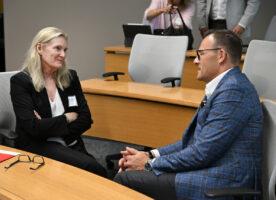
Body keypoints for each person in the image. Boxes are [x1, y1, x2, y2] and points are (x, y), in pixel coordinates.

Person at [113, 29, 263, 200]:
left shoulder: (233, 90)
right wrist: (151, 155)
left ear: (221, 55)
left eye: (201, 54)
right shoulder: (224, 86)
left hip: (223, 181)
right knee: (131, 175)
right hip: (210, 169)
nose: (195, 60)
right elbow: (192, 142)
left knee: (125, 179)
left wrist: (147, 164)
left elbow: (201, 153)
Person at [10, 27, 107, 177]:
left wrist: (49, 126)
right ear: (40, 48)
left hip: (69, 141)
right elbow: (32, 128)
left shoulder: (70, 77)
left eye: (65, 50)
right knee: (90, 168)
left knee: (98, 174)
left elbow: (86, 119)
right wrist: (67, 118)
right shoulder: (21, 81)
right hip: (37, 145)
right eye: (57, 48)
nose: (63, 55)